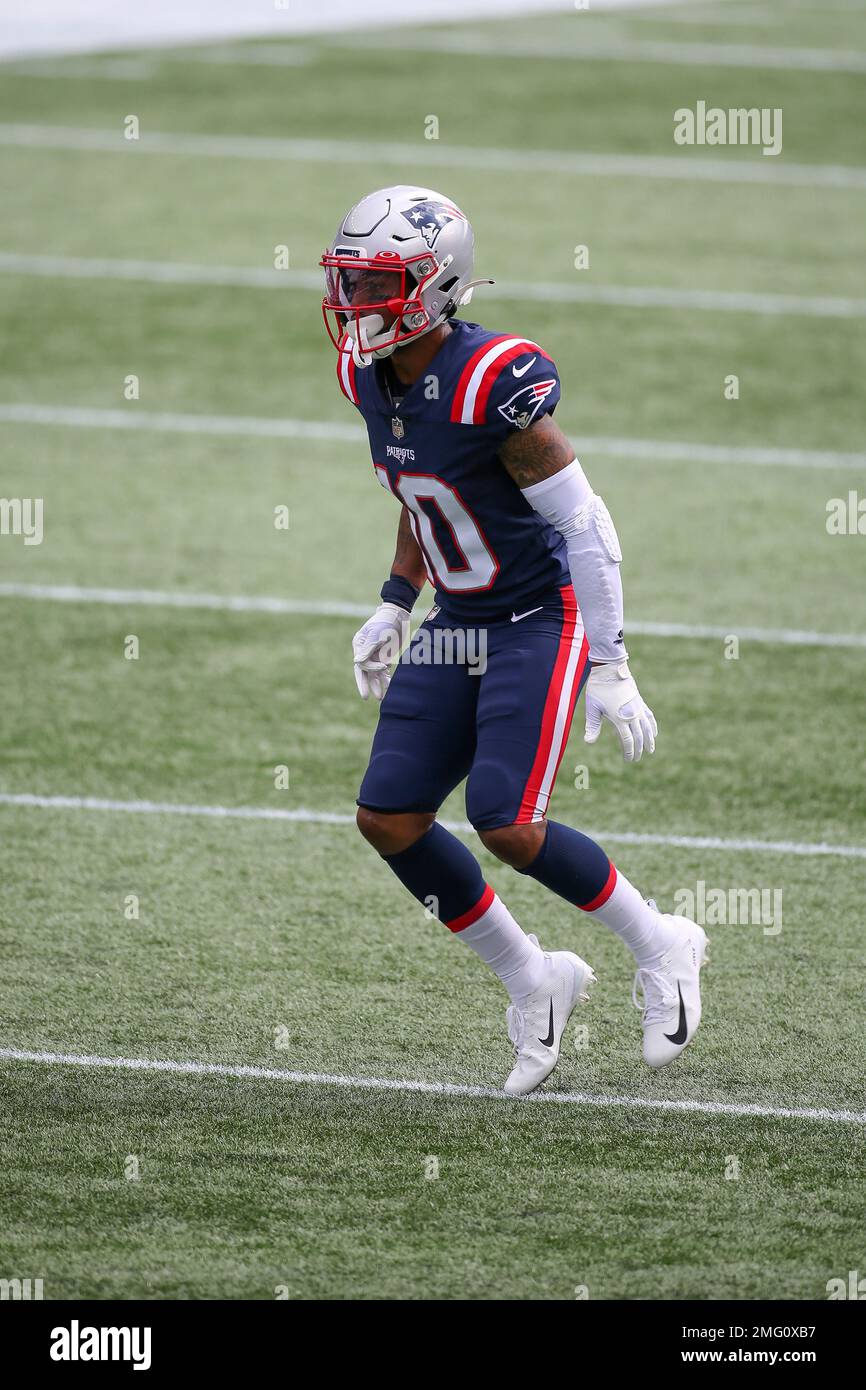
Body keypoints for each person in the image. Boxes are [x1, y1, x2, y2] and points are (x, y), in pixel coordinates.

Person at [320, 185, 706, 1096]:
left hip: (539, 615)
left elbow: (587, 525)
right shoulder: (364, 374)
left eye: (373, 285)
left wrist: (609, 661)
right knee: (389, 817)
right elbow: (421, 494)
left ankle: (664, 944)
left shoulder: (496, 377)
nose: (352, 304)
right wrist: (393, 600)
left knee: (507, 821)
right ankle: (535, 976)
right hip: (458, 621)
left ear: (431, 285)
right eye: (349, 281)